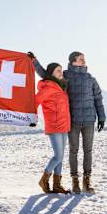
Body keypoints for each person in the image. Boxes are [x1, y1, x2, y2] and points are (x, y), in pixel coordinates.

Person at [29, 51, 105, 194]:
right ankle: (75, 181)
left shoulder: (90, 79)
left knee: (87, 151)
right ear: (73, 62)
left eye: (84, 59)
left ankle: (86, 182)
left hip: (89, 120)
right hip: (73, 121)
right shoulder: (66, 76)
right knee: (72, 151)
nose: (84, 61)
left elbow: (98, 99)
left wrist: (101, 117)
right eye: (80, 59)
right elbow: (47, 74)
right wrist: (34, 62)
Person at [34, 62, 71, 194]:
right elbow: (35, 101)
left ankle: (57, 185)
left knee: (60, 157)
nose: (61, 72)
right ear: (51, 73)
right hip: (54, 126)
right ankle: (44, 179)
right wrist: (32, 118)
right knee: (58, 156)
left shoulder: (61, 87)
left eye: (61, 70)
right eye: (57, 71)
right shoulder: (48, 87)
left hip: (64, 126)